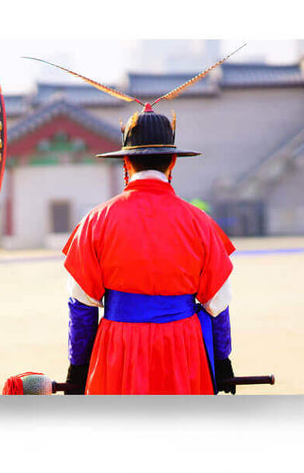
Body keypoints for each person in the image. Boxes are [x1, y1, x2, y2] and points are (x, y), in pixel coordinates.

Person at [62, 105, 237, 395]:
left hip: (119, 349)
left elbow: (81, 307)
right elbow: (218, 305)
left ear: (126, 163)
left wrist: (78, 369)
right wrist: (222, 362)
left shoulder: (95, 221)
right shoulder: (200, 223)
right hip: (184, 349)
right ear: (172, 162)